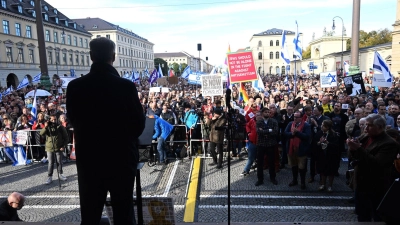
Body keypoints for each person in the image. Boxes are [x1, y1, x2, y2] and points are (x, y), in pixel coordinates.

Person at [67, 37, 145, 225]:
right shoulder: (125, 86)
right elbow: (138, 125)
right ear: (114, 56)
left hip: (90, 159)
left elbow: (73, 120)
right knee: (123, 213)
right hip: (121, 157)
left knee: (90, 212)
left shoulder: (75, 86)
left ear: (91, 56)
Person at [347, 114, 399, 222]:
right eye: (365, 125)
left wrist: (358, 149)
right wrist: (352, 148)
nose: (365, 128)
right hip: (361, 184)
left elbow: (377, 163)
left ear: (379, 127)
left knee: (378, 217)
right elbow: (353, 155)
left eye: (369, 126)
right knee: (362, 216)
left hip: (376, 186)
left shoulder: (389, 143)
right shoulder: (365, 137)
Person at [284, 110, 312, 190]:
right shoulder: (290, 124)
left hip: (301, 150)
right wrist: (291, 134)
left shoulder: (306, 125)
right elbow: (285, 133)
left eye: (297, 117)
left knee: (302, 168)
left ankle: (302, 182)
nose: (295, 118)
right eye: (294, 117)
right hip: (291, 149)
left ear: (301, 118)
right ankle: (294, 180)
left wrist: (297, 133)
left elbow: (307, 136)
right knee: (294, 166)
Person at [40, 114, 69, 185]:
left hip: (59, 148)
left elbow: (66, 138)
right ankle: (50, 176)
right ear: (49, 120)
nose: (53, 121)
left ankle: (60, 174)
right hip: (49, 148)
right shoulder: (47, 127)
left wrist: (63, 146)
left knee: (59, 162)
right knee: (51, 163)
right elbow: (41, 133)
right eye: (52, 120)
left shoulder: (60, 127)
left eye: (55, 119)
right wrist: (46, 127)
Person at [255, 108, 279, 186]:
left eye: (268, 112)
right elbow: (259, 132)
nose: (267, 113)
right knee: (260, 163)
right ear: (262, 113)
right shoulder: (259, 122)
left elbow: (275, 132)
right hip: (261, 144)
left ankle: (273, 178)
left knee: (271, 162)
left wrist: (264, 131)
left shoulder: (274, 121)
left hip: (271, 144)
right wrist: (269, 130)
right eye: (266, 112)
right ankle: (260, 179)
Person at [314, 120, 339, 192]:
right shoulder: (319, 133)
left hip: (330, 156)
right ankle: (323, 184)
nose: (321, 127)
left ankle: (330, 186)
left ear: (328, 127)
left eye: (323, 126)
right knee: (322, 171)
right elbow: (315, 143)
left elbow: (336, 146)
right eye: (321, 125)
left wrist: (328, 143)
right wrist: (319, 142)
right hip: (322, 155)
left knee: (331, 172)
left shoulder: (333, 135)